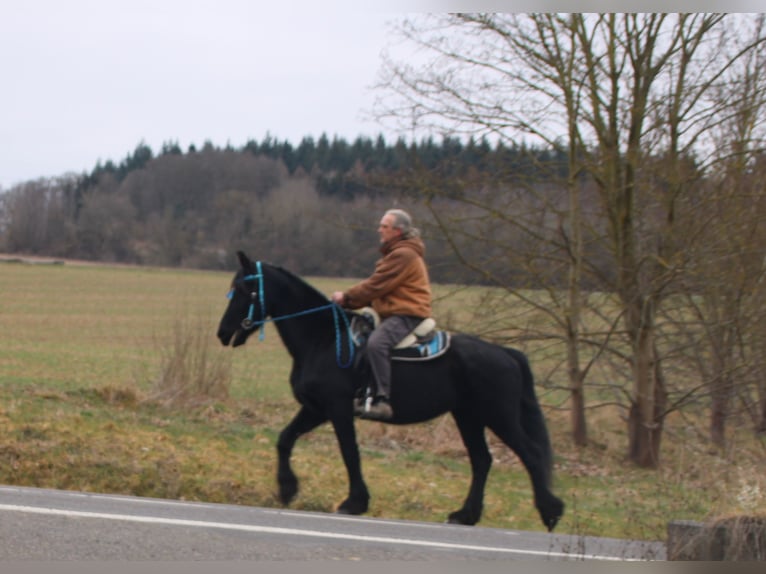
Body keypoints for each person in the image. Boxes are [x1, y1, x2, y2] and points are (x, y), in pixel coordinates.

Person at [332, 208, 432, 420]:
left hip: (406, 314)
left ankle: (382, 400)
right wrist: (351, 303)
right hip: (391, 312)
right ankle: (361, 393)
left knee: (377, 344)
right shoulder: (396, 252)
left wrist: (347, 298)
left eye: (384, 226)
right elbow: (378, 290)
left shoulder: (403, 255)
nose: (379, 230)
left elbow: (376, 286)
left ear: (397, 231)